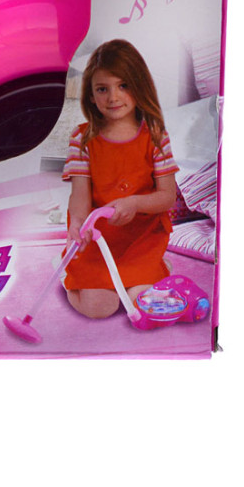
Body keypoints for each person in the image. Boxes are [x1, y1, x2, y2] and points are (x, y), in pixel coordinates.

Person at [62, 39, 178, 319]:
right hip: (98, 238)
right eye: (102, 89)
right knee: (99, 307)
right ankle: (68, 279)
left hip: (141, 240)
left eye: (123, 85)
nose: (113, 97)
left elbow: (167, 197)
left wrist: (135, 203)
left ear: (139, 86)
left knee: (142, 300)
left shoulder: (155, 136)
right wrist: (77, 224)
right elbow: (80, 196)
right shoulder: (82, 139)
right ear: (91, 95)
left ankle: (155, 266)